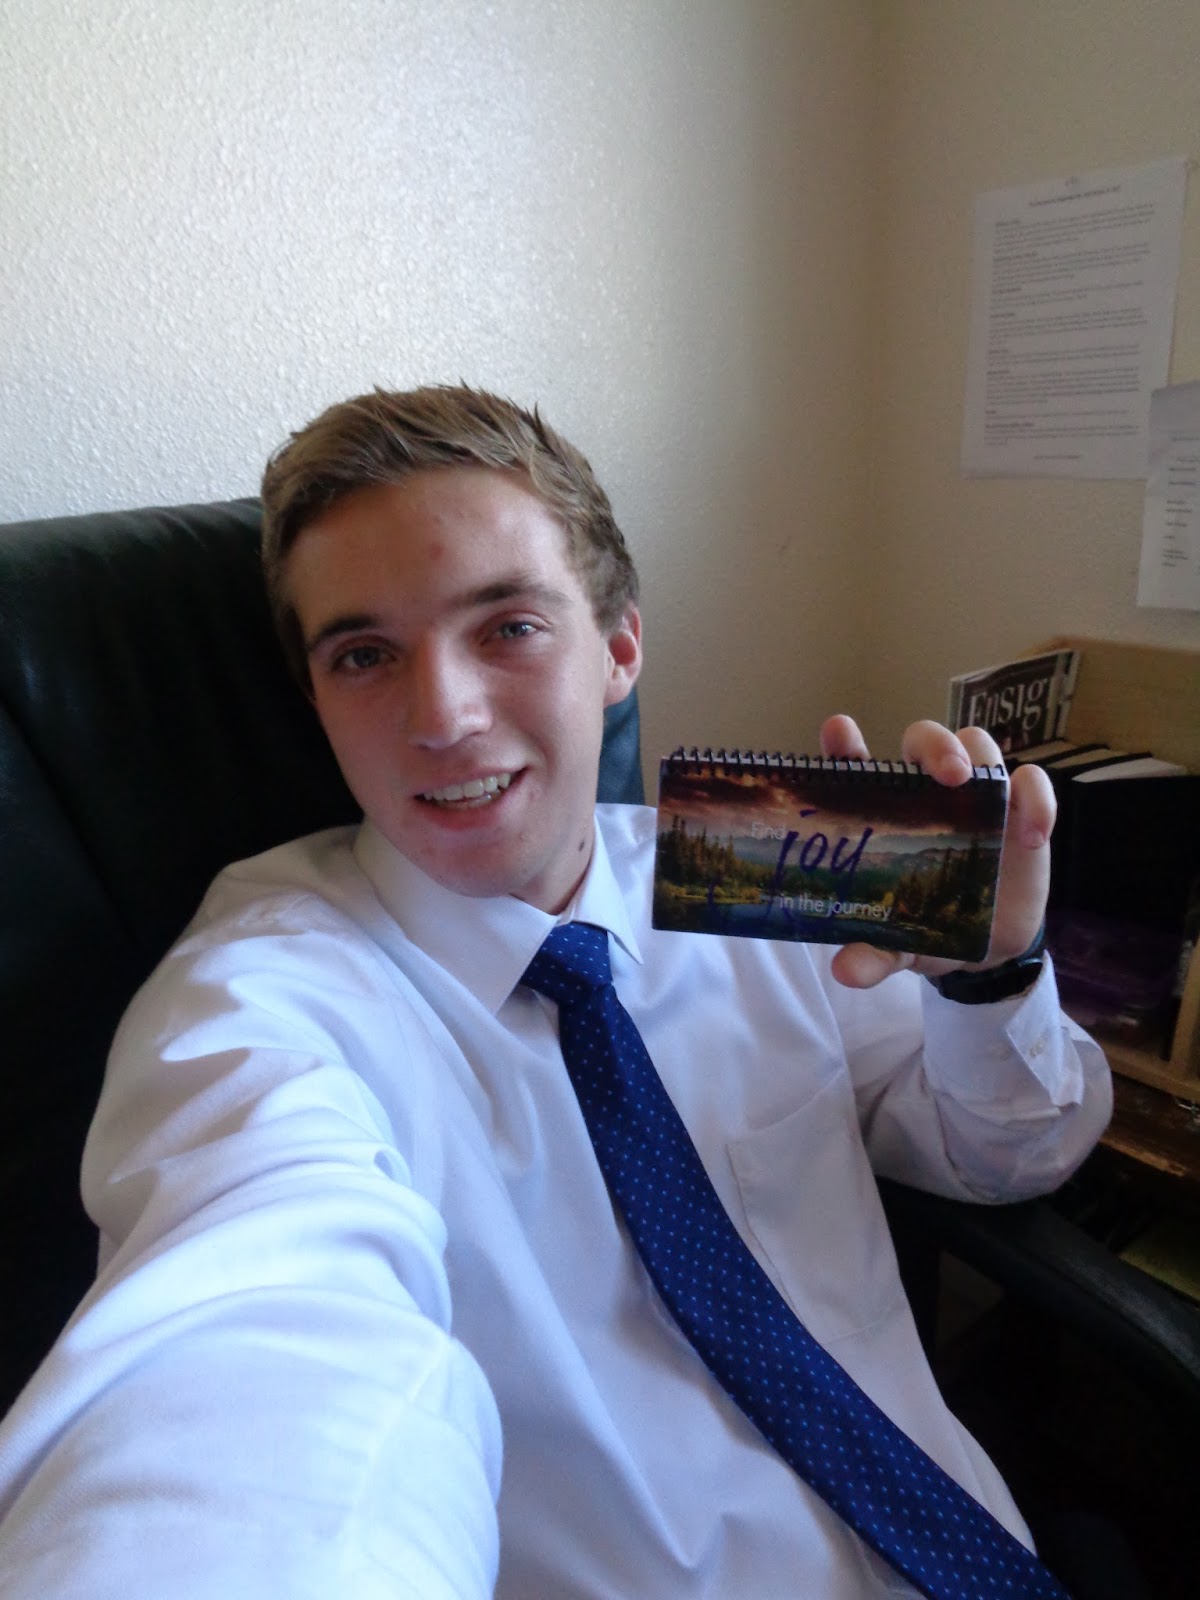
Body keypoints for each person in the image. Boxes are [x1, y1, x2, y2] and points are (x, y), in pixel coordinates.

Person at [0, 386, 1110, 1598]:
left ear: (619, 649)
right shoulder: (265, 995)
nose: (444, 717)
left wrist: (988, 976)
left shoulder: (764, 865)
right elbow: (252, 1371)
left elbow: (1008, 1155)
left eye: (509, 626)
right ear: (315, 697)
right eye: (364, 655)